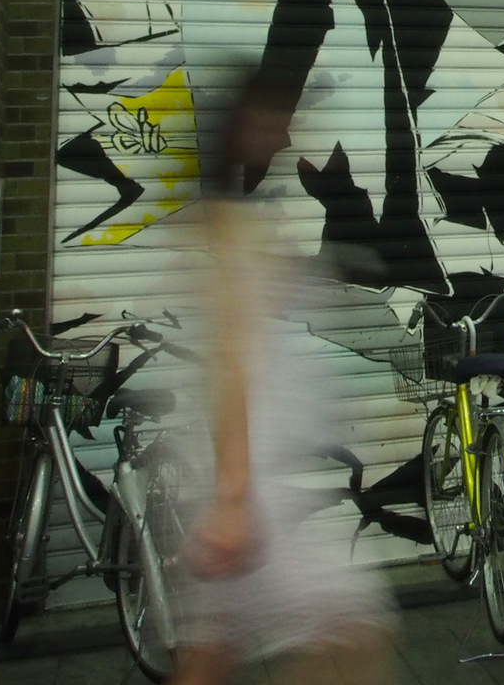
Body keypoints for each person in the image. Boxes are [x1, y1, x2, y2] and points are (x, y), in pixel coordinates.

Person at [170, 65, 397, 685]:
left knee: (213, 652)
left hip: (247, 472)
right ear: (247, 125)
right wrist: (233, 498)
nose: (288, 135)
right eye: (279, 120)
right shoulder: (225, 229)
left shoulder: (227, 219)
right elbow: (228, 360)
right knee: (352, 632)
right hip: (255, 483)